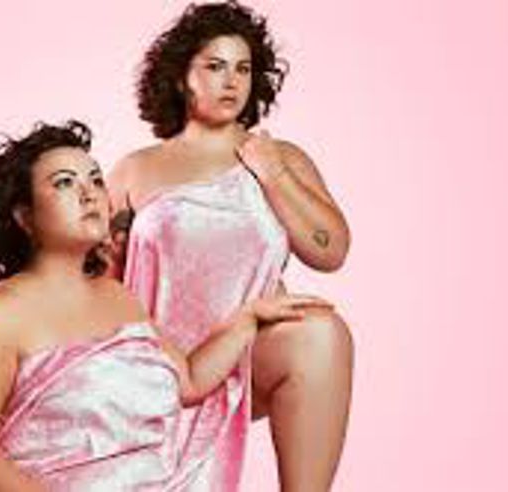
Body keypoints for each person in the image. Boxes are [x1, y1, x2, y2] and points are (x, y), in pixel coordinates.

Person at [0, 120, 323, 491]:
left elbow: (188, 382)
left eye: (95, 180)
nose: (89, 194)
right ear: (24, 216)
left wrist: (246, 318)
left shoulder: (118, 298)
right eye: (64, 182)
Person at [107, 2, 354, 490]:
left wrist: (272, 173)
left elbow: (330, 251)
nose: (231, 81)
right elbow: (100, 282)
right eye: (215, 66)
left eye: (242, 69)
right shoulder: (135, 170)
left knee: (322, 334)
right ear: (182, 77)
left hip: (248, 352)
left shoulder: (282, 158)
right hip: (160, 365)